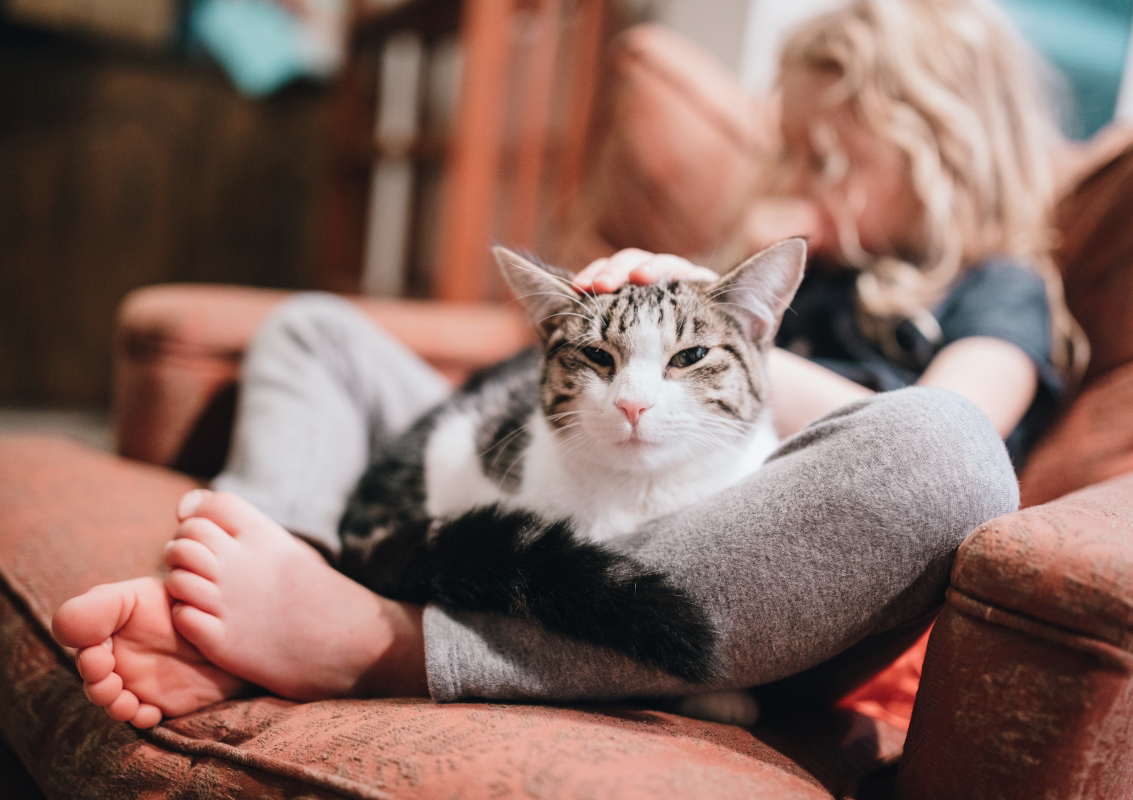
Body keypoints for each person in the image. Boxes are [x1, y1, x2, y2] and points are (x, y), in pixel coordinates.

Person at [51, 0, 1070, 729]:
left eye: (827, 158)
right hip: (581, 468)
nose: (795, 179)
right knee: (313, 328)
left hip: (761, 583)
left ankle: (385, 640)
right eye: (789, 150)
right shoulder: (778, 257)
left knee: (943, 450)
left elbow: (965, 423)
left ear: (944, 143)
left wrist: (737, 328)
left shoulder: (995, 291)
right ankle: (274, 561)